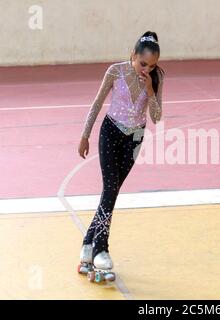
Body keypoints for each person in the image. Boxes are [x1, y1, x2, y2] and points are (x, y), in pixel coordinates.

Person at [77, 31, 165, 278]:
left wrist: (149, 88)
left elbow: (157, 118)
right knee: (110, 187)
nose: (146, 69)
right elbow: (96, 103)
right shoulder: (115, 71)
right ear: (132, 56)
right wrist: (85, 135)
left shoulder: (155, 79)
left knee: (112, 190)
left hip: (135, 138)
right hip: (111, 132)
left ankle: (87, 243)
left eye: (152, 65)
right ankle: (100, 249)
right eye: (142, 63)